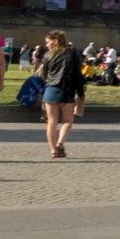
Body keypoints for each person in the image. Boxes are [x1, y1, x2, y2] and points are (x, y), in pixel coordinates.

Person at [38, 30, 80, 158]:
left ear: (55, 41)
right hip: (68, 90)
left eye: (48, 42)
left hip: (51, 90)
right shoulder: (73, 53)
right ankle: (60, 142)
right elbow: (78, 74)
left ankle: (53, 150)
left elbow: (44, 75)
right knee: (67, 121)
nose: (46, 45)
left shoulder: (48, 56)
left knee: (52, 122)